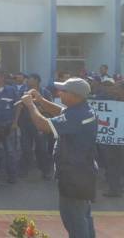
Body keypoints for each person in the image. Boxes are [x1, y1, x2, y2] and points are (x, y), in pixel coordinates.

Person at [20, 77, 97, 238]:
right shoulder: (80, 109)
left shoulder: (77, 115)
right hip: (83, 172)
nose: (59, 93)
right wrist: (41, 100)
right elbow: (61, 112)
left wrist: (30, 105)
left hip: (74, 174)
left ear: (75, 95)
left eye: (64, 91)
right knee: (83, 217)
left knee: (73, 219)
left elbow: (43, 125)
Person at [16, 73, 53, 179]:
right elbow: (19, 107)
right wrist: (16, 122)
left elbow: (50, 108)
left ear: (36, 80)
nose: (27, 81)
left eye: (30, 79)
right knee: (25, 148)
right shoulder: (23, 91)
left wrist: (41, 109)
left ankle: (45, 171)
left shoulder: (45, 92)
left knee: (42, 148)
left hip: (40, 124)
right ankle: (23, 170)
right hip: (25, 124)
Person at [0, 70, 20, 183]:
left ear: (2, 77)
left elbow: (18, 106)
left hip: (8, 126)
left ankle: (12, 175)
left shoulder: (11, 90)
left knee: (10, 152)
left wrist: (15, 122)